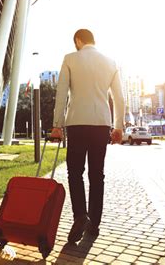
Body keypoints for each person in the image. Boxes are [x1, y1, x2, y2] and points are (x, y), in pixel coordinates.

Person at [50, 29, 125, 243]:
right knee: (97, 174)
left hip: (76, 122)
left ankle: (80, 216)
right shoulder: (110, 63)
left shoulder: (70, 59)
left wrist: (57, 125)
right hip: (102, 124)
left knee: (75, 173)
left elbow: (62, 93)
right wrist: (118, 126)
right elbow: (119, 98)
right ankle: (94, 224)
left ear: (78, 40)